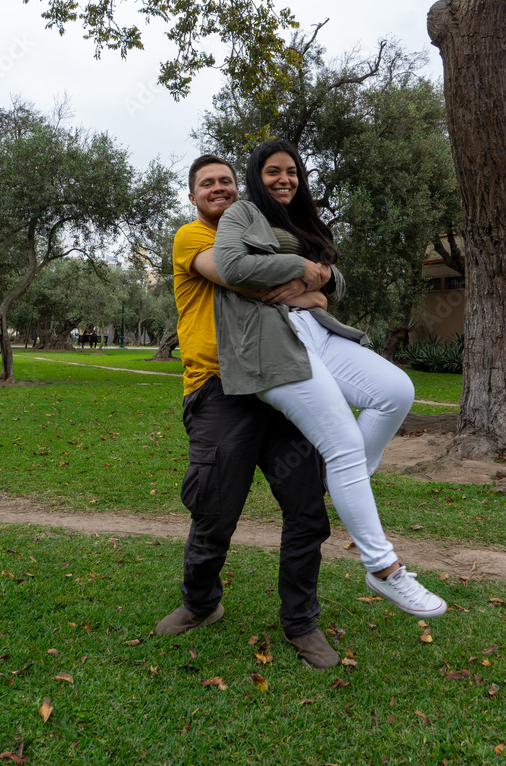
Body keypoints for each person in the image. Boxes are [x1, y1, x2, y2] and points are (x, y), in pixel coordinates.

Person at [212, 139, 447, 618]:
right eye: (273, 171)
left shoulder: (303, 219)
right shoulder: (243, 213)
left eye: (292, 171)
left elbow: (336, 277)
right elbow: (232, 266)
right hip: (271, 342)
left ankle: (347, 480)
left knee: (396, 391)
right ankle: (384, 569)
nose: (284, 179)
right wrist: (302, 268)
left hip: (317, 331)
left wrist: (312, 286)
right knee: (343, 445)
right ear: (257, 175)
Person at [155, 155, 342, 669]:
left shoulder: (265, 233)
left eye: (227, 181)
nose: (218, 188)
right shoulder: (192, 236)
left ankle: (301, 623)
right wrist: (309, 284)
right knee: (214, 509)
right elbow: (241, 277)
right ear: (192, 196)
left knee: (307, 510)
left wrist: (318, 290)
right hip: (218, 390)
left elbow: (321, 284)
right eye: (207, 183)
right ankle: (200, 604)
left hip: (282, 385)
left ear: (239, 190)